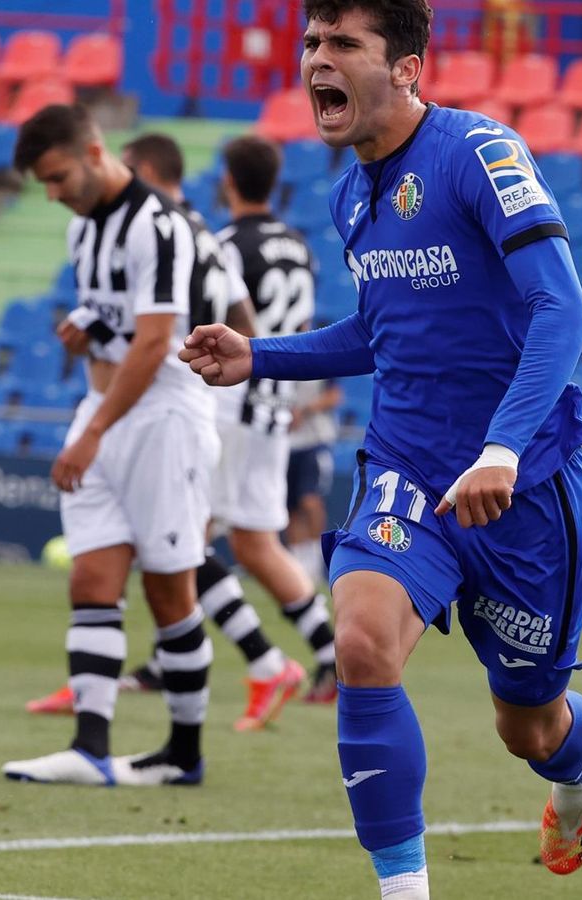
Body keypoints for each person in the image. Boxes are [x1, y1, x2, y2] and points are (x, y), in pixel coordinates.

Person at [179, 0, 582, 894]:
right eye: (310, 43)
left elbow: (563, 308)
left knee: (527, 728)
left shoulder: (479, 155)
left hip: (518, 480)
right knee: (363, 645)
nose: (316, 62)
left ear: (409, 67)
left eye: (343, 44)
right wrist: (259, 355)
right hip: (407, 469)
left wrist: (500, 448)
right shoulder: (349, 194)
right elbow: (384, 335)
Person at [27, 132, 310, 731]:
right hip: (254, 402)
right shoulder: (210, 233)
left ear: (143, 169)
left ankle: (253, 664)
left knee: (182, 552)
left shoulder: (157, 229)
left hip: (187, 401)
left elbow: (158, 332)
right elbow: (245, 319)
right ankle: (156, 670)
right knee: (208, 547)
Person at [0, 102, 229, 787]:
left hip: (162, 418)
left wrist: (93, 433)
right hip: (105, 407)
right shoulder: (83, 229)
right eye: (43, 183)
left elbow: (158, 340)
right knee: (92, 579)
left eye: (58, 176)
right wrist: (85, 329)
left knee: (168, 590)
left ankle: (184, 753)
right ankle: (89, 747)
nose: (53, 193)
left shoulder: (157, 225)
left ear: (95, 151)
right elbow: (117, 322)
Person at [208, 135, 339, 704]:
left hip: (230, 401)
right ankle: (334, 656)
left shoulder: (227, 245)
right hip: (275, 404)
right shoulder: (299, 246)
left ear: (229, 183)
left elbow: (212, 321)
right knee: (257, 543)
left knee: (179, 539)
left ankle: (250, 659)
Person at [286, 378, 344, 586]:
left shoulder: (319, 361)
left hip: (315, 440)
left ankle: (315, 561)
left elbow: (334, 396)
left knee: (310, 501)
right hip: (285, 443)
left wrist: (304, 410)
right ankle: (298, 565)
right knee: (290, 508)